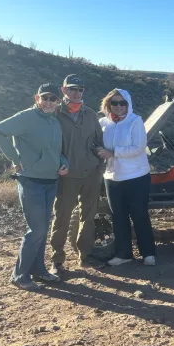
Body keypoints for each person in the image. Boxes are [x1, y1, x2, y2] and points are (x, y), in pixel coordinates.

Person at [0, 84, 69, 290]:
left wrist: (63, 163)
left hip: (50, 181)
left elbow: (54, 151)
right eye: (45, 97)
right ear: (37, 98)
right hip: (31, 180)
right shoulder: (26, 117)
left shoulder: (54, 121)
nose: (49, 101)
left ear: (59, 101)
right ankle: (19, 275)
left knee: (42, 227)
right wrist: (15, 158)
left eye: (53, 98)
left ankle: (39, 270)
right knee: (37, 229)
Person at [49, 74, 104, 273]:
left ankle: (85, 257)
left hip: (91, 173)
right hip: (66, 176)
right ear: (63, 90)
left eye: (80, 90)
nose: (76, 93)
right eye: (72, 89)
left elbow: (99, 141)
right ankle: (57, 261)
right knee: (62, 217)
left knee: (88, 216)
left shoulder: (90, 114)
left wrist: (100, 164)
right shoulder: (54, 113)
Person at [97, 89, 156, 266]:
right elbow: (98, 144)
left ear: (128, 104)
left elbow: (139, 147)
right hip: (112, 177)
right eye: (114, 103)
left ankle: (148, 253)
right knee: (118, 216)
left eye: (122, 103)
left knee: (139, 214)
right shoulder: (103, 123)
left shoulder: (135, 121)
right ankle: (124, 254)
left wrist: (113, 153)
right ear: (108, 104)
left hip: (136, 176)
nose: (119, 106)